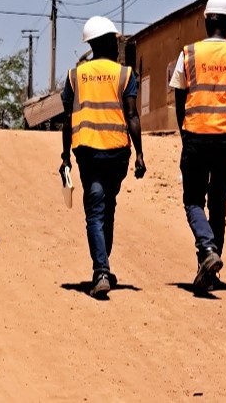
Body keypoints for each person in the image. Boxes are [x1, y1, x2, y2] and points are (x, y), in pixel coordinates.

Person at [169, 0, 226, 294]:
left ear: (206, 21)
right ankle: (210, 269)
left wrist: (185, 132)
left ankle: (207, 249)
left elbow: (180, 96)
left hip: (196, 134)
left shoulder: (188, 53)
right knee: (218, 202)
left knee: (193, 200)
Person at [60, 16, 146, 297]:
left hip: (87, 152)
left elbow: (67, 119)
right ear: (108, 42)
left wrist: (65, 156)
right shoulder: (124, 74)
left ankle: (101, 271)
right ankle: (102, 268)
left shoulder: (75, 75)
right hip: (117, 152)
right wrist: (140, 154)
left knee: (96, 209)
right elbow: (132, 115)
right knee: (107, 206)